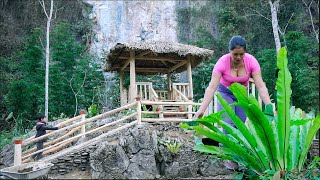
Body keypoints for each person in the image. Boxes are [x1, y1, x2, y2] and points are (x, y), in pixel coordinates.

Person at [194, 35, 272, 169]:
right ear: (229, 51)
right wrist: (201, 109)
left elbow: (260, 85)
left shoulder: (251, 62)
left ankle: (239, 156)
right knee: (228, 125)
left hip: (241, 94)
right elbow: (212, 87)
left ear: (245, 52)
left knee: (239, 126)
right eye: (235, 54)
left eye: (241, 54)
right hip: (225, 93)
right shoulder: (222, 63)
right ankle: (229, 158)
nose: (238, 57)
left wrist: (269, 105)